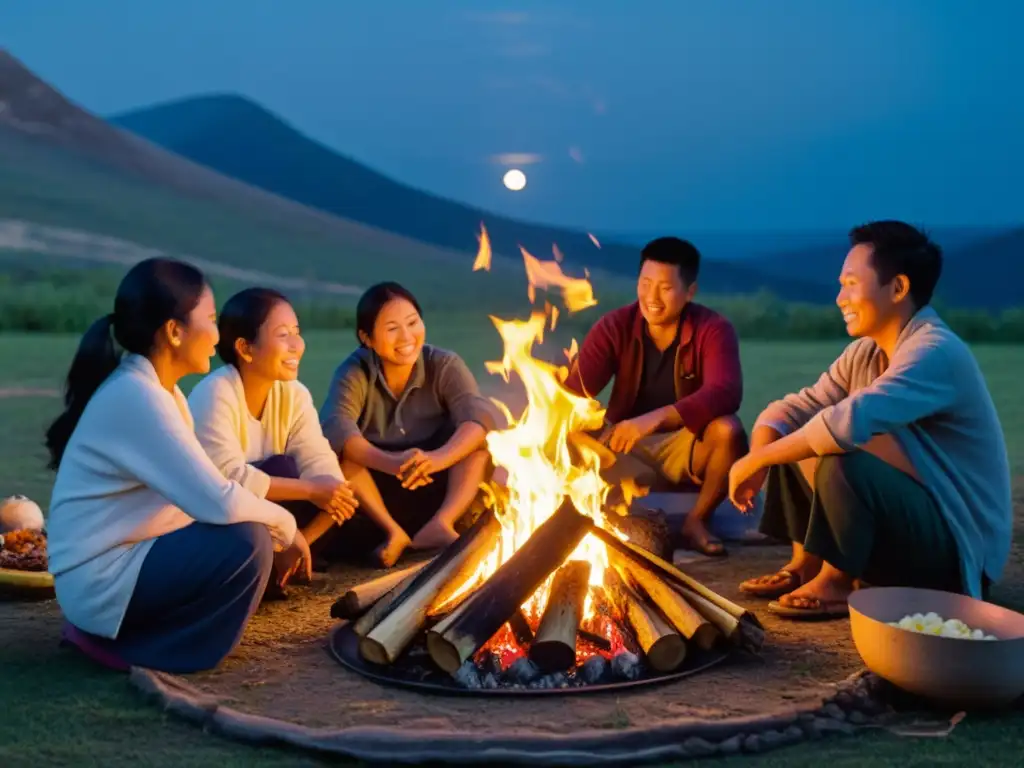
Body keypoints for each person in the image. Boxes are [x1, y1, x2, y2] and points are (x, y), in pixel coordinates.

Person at [730, 221, 1012, 620]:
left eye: (850, 284)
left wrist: (754, 461)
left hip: (954, 549)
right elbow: (792, 410)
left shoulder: (934, 351)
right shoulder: (864, 353)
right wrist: (763, 451)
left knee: (840, 452)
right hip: (910, 526)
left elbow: (844, 426)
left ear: (897, 289)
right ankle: (805, 563)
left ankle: (837, 580)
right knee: (796, 434)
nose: (839, 298)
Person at [45, 258, 299, 674]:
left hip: (128, 561)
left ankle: (137, 635)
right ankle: (135, 650)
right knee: (247, 541)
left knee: (260, 509)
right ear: (174, 331)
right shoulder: (137, 396)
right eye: (212, 320)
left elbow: (209, 488)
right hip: (99, 582)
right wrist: (285, 527)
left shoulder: (163, 392)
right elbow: (219, 501)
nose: (217, 336)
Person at [561, 236, 748, 557]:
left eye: (665, 287)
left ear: (690, 292)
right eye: (645, 283)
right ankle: (594, 521)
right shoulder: (615, 326)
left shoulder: (713, 329)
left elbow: (726, 391)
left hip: (687, 441)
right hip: (624, 444)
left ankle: (697, 521)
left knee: (729, 430)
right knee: (568, 430)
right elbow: (573, 394)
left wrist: (655, 418)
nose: (652, 297)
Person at [188, 288, 359, 590]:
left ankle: (288, 560)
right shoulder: (215, 392)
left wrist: (305, 532)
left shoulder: (294, 395)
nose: (297, 345)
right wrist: (309, 490)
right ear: (245, 348)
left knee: (324, 481)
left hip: (280, 531)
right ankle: (260, 567)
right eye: (283, 335)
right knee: (283, 471)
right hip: (219, 525)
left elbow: (318, 460)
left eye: (297, 332)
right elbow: (223, 480)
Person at [319, 282, 501, 567]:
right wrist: (392, 463)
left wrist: (436, 459)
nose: (406, 336)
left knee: (478, 448)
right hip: (377, 487)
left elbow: (477, 420)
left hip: (435, 480)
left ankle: (441, 523)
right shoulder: (354, 372)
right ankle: (393, 533)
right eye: (392, 328)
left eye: (413, 322)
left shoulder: (444, 364)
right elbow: (337, 429)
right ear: (367, 338)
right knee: (339, 455)